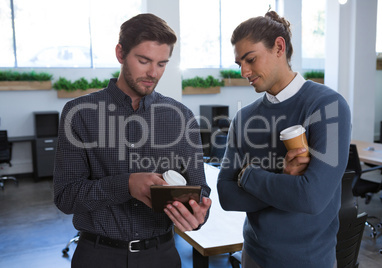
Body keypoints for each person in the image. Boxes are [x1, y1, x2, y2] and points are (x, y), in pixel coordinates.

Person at [53, 13, 211, 268]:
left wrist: (198, 213)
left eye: (162, 63)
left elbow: (199, 188)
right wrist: (126, 185)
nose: (153, 72)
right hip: (98, 256)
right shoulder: (79, 114)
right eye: (144, 60)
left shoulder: (182, 117)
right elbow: (66, 197)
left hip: (162, 256)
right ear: (120, 53)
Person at [217, 10, 351, 268]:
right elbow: (226, 195)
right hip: (253, 256)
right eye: (239, 64)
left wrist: (247, 177)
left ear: (279, 47)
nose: (244, 71)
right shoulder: (244, 118)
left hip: (309, 260)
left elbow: (311, 198)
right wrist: (285, 178)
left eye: (251, 59)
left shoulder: (327, 106)